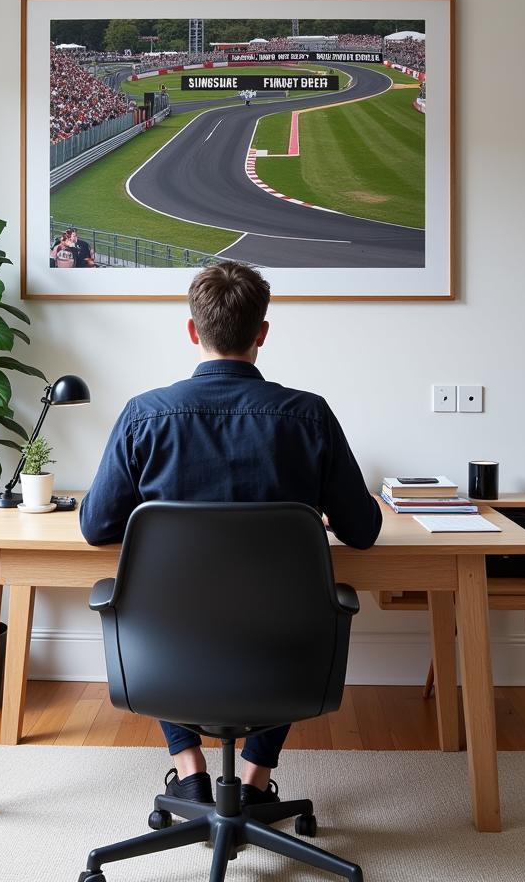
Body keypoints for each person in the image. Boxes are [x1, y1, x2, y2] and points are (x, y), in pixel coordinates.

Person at [80, 261, 381, 810]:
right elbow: (363, 531)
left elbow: (96, 525)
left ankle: (188, 766)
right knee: (291, 614)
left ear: (193, 331)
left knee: (170, 608)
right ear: (262, 332)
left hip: (170, 642)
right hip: (283, 646)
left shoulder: (143, 416)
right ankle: (255, 780)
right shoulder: (309, 417)